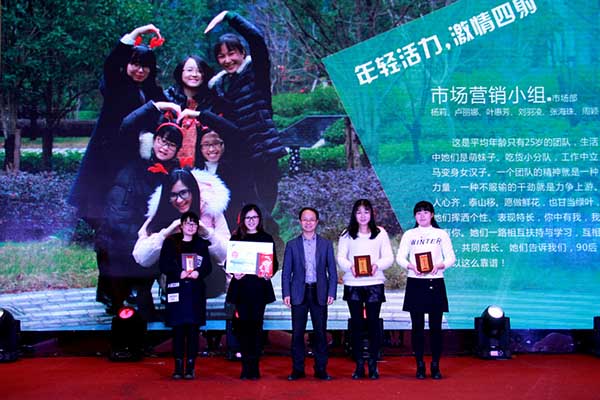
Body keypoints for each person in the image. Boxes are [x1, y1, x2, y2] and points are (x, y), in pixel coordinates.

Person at [69, 24, 166, 228]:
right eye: (135, 64)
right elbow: (112, 63)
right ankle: (93, 231)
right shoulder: (116, 82)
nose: (140, 70)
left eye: (145, 66)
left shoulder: (153, 91)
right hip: (108, 149)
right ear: (127, 64)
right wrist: (137, 33)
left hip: (135, 152)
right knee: (98, 195)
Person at [205, 10, 287, 247]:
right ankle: (257, 247)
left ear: (242, 53)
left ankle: (271, 245)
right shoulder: (222, 86)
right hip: (242, 156)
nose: (227, 60)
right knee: (247, 204)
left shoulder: (255, 73)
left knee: (264, 203)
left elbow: (257, 40)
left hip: (264, 152)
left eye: (232, 53)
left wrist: (229, 16)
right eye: (221, 56)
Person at [95, 118, 183, 319]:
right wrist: (154, 107)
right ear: (154, 140)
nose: (165, 147)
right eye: (162, 141)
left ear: (177, 150)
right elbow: (127, 126)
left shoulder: (175, 174)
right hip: (119, 233)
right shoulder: (133, 163)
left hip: (147, 235)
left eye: (171, 145)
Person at [133, 168, 230, 297]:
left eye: (183, 193)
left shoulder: (211, 210)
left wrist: (207, 234)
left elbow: (228, 254)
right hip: (172, 278)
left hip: (207, 277)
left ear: (193, 191)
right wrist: (165, 234)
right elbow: (141, 258)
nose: (179, 200)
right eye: (173, 195)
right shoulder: (159, 214)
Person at [396, 200, 456, 380]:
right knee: (417, 327)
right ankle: (420, 365)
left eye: (425, 212)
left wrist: (440, 265)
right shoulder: (409, 234)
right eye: (418, 213)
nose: (422, 216)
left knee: (436, 327)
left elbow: (451, 257)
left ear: (432, 215)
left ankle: (435, 365)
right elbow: (400, 257)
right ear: (415, 216)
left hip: (435, 282)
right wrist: (411, 266)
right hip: (415, 282)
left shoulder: (441, 234)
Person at [337, 199, 394, 380]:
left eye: (366, 212)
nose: (363, 216)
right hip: (353, 284)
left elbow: (388, 257)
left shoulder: (380, 233)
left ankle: (373, 364)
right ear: (354, 214)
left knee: (373, 324)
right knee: (356, 325)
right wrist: (350, 267)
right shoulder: (347, 234)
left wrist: (377, 265)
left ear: (372, 214)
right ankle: (359, 364)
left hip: (374, 283)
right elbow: (341, 257)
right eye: (359, 212)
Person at [282, 207, 337, 381]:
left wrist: (332, 292)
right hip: (298, 292)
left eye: (311, 219)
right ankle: (297, 369)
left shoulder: (326, 244)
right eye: (305, 219)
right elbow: (286, 273)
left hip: (319, 292)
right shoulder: (292, 244)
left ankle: (321, 369)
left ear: (316, 222)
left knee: (320, 332)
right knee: (297, 333)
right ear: (300, 222)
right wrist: (286, 293)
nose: (308, 222)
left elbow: (332, 271)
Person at [225, 204, 278, 380]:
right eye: (248, 218)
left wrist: (268, 272)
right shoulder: (236, 238)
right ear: (242, 220)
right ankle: (245, 365)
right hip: (241, 289)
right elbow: (228, 263)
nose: (251, 221)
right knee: (242, 328)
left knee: (256, 327)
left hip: (259, 290)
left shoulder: (266, 238)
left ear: (259, 219)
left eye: (254, 217)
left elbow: (274, 264)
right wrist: (234, 272)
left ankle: (254, 366)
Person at [160, 211, 212, 380]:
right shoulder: (170, 242)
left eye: (194, 224)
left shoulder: (201, 244)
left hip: (195, 292)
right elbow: (163, 264)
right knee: (178, 330)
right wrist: (179, 273)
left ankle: (190, 367)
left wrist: (199, 273)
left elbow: (208, 267)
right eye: (188, 223)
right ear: (181, 226)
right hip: (177, 290)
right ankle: (177, 367)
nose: (191, 226)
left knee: (193, 330)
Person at [164, 55, 214, 167]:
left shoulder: (211, 100)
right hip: (167, 164)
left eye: (199, 71)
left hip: (202, 165)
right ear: (180, 72)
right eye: (189, 70)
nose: (194, 74)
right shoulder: (166, 98)